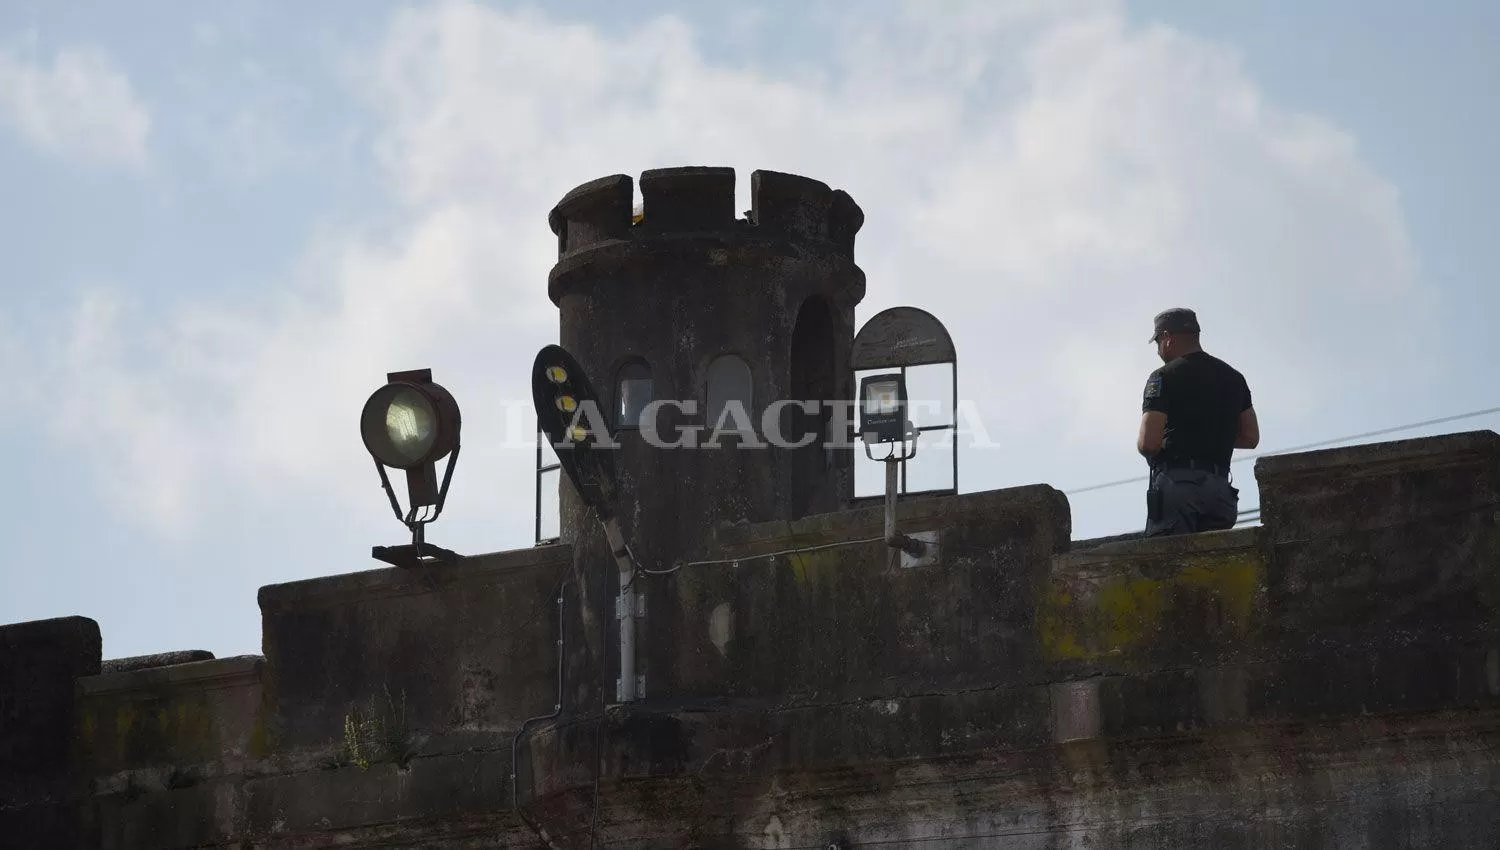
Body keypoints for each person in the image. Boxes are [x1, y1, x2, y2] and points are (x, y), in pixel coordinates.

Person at [1137, 308, 1258, 536]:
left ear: (1167, 338)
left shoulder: (1163, 376)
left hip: (1178, 487)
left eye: (1158, 343)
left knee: (1167, 564)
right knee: (1212, 566)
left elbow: (1148, 443)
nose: (1158, 351)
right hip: (1221, 492)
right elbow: (1250, 437)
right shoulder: (1234, 378)